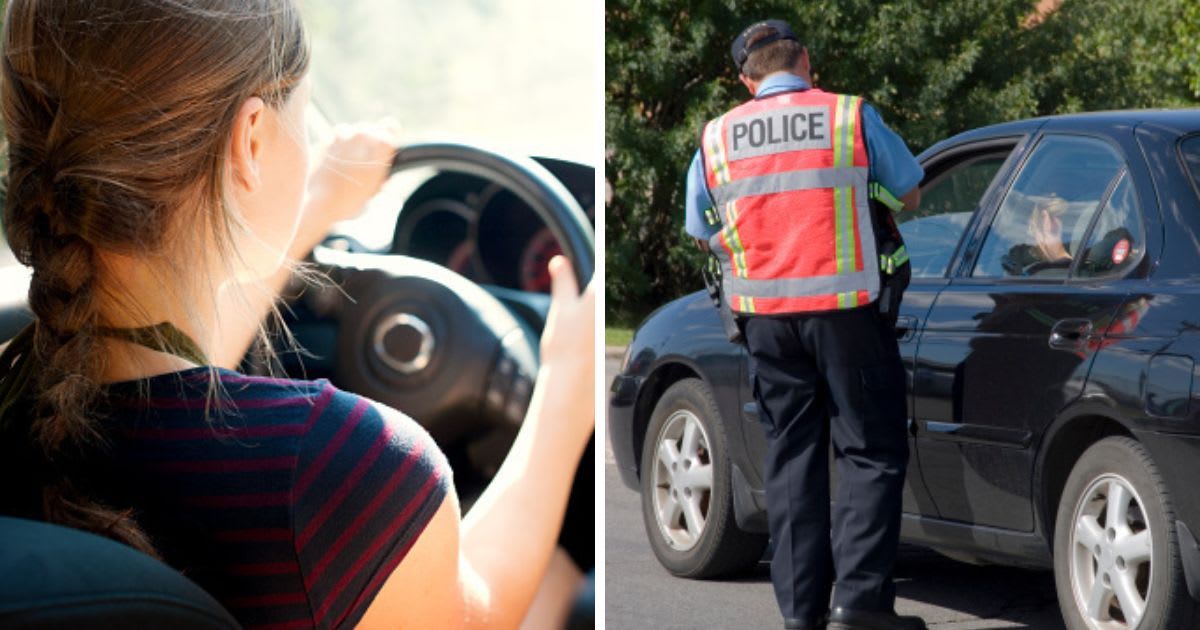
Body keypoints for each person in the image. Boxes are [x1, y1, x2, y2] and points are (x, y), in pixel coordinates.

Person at [0, 1, 594, 629]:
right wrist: (564, 391)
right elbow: (483, 616)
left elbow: (171, 383)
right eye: (303, 120)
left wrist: (319, 202)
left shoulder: (25, 408)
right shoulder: (337, 467)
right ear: (251, 138)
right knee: (560, 580)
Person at [684, 19, 925, 630]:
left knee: (791, 458)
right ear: (806, 59)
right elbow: (910, 193)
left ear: (746, 78)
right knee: (868, 451)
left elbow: (702, 229)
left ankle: (801, 615)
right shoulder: (848, 116)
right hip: (847, 311)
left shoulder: (717, 137)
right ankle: (862, 606)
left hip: (765, 321)